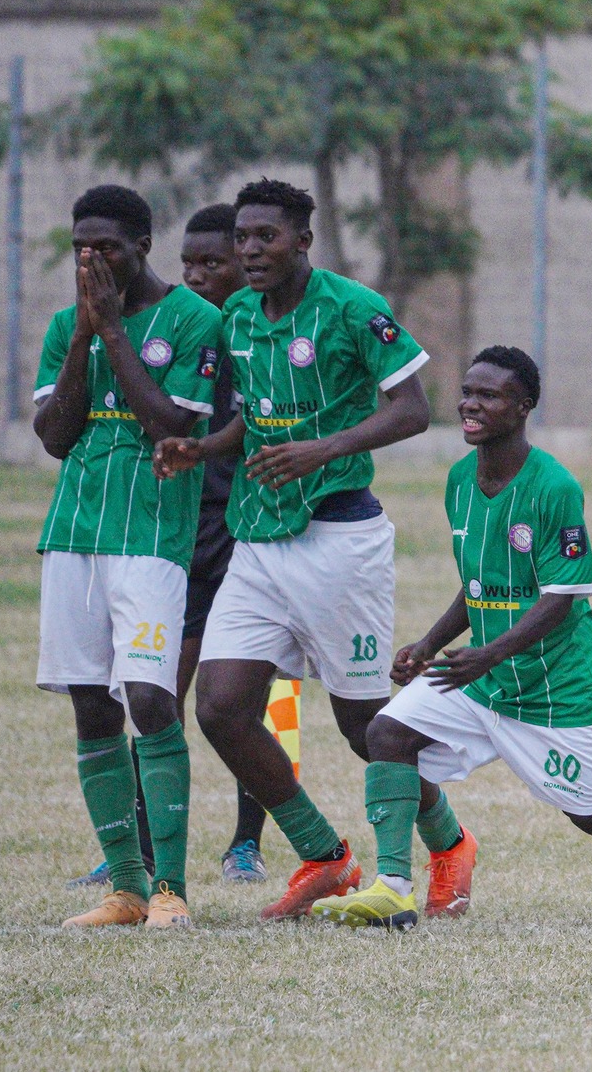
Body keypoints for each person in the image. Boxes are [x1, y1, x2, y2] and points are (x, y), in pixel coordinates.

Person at [313, 347, 592, 928]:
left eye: (488, 395)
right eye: (467, 392)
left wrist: (488, 653)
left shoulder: (556, 488)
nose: (470, 404)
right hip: (480, 678)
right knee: (387, 734)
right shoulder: (459, 481)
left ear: (522, 408)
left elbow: (561, 595)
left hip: (554, 689)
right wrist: (427, 644)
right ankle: (393, 887)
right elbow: (478, 585)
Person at [155, 177, 453, 922]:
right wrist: (204, 448)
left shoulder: (355, 308)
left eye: (266, 236)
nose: (250, 249)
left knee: (364, 727)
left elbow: (414, 408)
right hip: (259, 543)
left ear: (303, 240)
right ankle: (325, 855)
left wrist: (325, 448)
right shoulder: (238, 317)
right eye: (243, 238)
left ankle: (448, 842)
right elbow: (251, 422)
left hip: (339, 539)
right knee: (220, 709)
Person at [35, 185, 222, 929]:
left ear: (142, 244)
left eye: (106, 245)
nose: (91, 257)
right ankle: (125, 887)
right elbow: (54, 433)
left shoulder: (195, 319)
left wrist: (113, 332)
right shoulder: (62, 325)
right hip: (75, 528)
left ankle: (171, 887)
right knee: (91, 702)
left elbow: (171, 423)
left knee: (148, 697)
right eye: (81, 244)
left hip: (152, 532)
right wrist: (83, 334)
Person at [173, 202, 294, 885]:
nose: (197, 276)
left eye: (211, 263)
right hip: (186, 538)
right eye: (187, 264)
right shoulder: (179, 339)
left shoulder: (262, 336)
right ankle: (138, 843)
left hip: (253, 539)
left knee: (250, 702)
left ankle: (247, 842)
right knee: (160, 694)